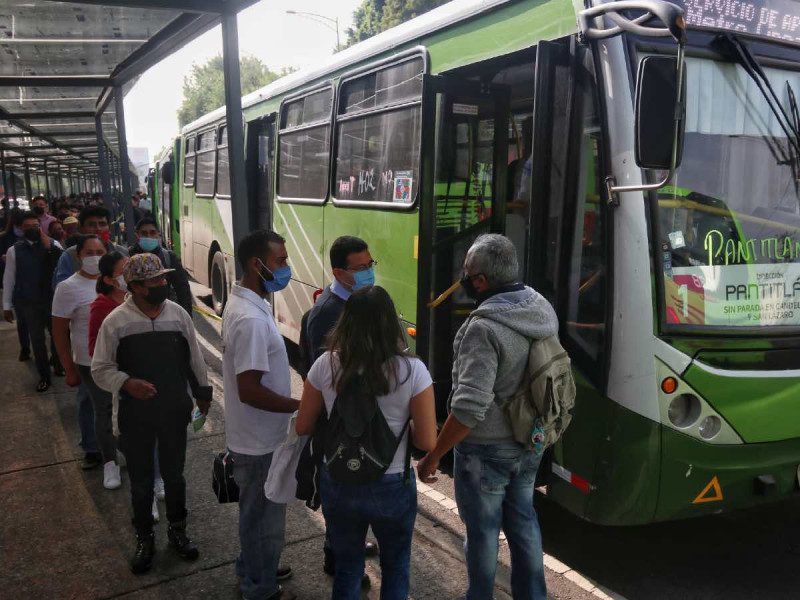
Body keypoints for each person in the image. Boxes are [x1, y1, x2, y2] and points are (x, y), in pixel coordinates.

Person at [417, 234, 558, 600]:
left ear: (480, 281)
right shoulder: (541, 308)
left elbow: (468, 408)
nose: (463, 279)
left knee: (482, 532)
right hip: (531, 440)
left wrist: (433, 456)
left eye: (467, 273)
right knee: (523, 521)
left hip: (486, 451)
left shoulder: (483, 328)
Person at [296, 285, 437, 600]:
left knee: (347, 568)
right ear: (391, 322)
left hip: (338, 479)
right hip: (392, 483)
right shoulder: (412, 371)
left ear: (346, 321)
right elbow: (428, 440)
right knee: (396, 567)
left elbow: (303, 425)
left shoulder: (324, 365)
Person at [92, 253, 211, 575]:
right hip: (135, 417)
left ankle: (178, 532)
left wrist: (203, 393)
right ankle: (144, 539)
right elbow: (99, 369)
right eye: (155, 280)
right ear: (135, 287)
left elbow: (195, 358)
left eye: (163, 277)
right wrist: (126, 383)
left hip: (173, 411)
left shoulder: (177, 314)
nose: (163, 283)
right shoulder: (116, 321)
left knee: (174, 477)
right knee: (142, 483)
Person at [222, 230, 297, 600]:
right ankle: (260, 588)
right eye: (281, 261)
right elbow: (248, 390)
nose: (286, 268)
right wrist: (300, 408)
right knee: (264, 523)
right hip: (258, 441)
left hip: (257, 436)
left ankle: (255, 566)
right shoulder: (249, 319)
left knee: (256, 517)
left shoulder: (252, 303)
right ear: (257, 264)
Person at [299, 235, 378, 579]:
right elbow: (321, 378)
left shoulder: (362, 301)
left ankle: (348, 547)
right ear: (338, 271)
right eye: (360, 268)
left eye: (369, 266)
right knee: (342, 495)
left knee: (356, 493)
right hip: (337, 425)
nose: (367, 273)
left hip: (360, 419)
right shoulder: (327, 312)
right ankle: (338, 557)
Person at [89, 251, 162, 523]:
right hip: (129, 399)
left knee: (155, 449)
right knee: (138, 455)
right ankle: (144, 510)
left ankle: (158, 484)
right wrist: (125, 383)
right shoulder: (111, 317)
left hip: (157, 397)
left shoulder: (170, 312)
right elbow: (98, 363)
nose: (160, 285)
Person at [52, 235, 118, 482]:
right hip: (90, 363)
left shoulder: (114, 282)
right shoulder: (67, 287)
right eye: (89, 252)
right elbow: (59, 331)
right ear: (78, 256)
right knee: (103, 410)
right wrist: (68, 368)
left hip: (121, 361)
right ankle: (109, 462)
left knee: (126, 411)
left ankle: (129, 455)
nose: (95, 257)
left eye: (99, 252)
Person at [2, 212, 63, 392]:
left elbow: (62, 271)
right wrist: (7, 306)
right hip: (29, 302)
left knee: (57, 336)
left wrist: (50, 248)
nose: (33, 230)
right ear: (21, 229)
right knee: (37, 341)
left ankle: (58, 365)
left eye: (36, 226)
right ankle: (44, 376)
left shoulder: (53, 245)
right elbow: (9, 278)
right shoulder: (14, 251)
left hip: (53, 301)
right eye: (28, 227)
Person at [130, 217, 192, 314]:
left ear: (158, 234)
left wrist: (187, 316)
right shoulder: (128, 257)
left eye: (152, 232)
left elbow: (182, 287)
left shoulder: (168, 257)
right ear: (137, 235)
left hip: (164, 312)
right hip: (136, 312)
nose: (149, 236)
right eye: (144, 233)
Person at [54, 205, 128, 286]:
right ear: (81, 229)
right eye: (91, 224)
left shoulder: (122, 253)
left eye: (102, 224)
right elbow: (60, 288)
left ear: (109, 227)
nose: (98, 229)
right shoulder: (70, 255)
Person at [0, 210, 31, 362]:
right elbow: (8, 277)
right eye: (20, 226)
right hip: (20, 290)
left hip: (38, 292)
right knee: (23, 322)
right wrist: (6, 304)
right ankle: (25, 348)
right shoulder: (7, 239)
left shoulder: (38, 239)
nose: (23, 229)